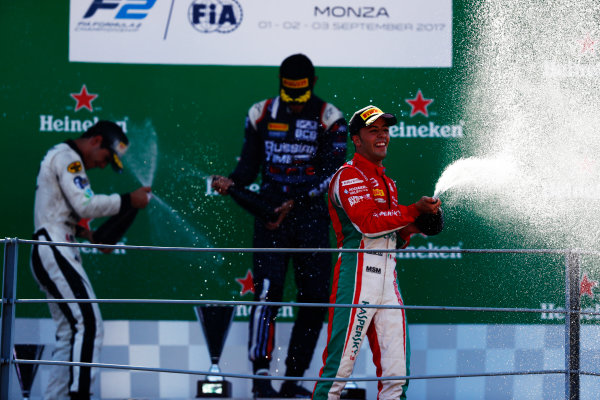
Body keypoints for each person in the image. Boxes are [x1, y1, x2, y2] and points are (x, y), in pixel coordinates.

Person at [211, 53, 348, 398]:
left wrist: (297, 201)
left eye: (301, 96)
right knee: (267, 293)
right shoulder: (259, 113)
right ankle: (260, 379)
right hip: (270, 216)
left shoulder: (331, 118)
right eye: (289, 96)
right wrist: (231, 182)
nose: (296, 104)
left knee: (314, 299)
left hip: (312, 218)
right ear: (280, 85)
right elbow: (247, 167)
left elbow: (332, 173)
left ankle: (292, 380)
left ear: (313, 84)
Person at [312, 105, 442, 400]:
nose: (382, 136)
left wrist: (418, 226)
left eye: (385, 130)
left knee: (397, 376)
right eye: (374, 131)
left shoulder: (389, 183)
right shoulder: (348, 176)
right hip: (356, 280)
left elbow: (392, 237)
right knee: (338, 372)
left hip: (388, 282)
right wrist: (412, 212)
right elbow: (368, 226)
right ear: (356, 139)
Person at [30, 120, 152, 400]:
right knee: (90, 324)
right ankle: (81, 395)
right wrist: (127, 200)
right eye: (106, 158)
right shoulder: (67, 157)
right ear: (96, 141)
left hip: (57, 244)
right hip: (54, 246)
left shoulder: (66, 158)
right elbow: (84, 205)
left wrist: (92, 236)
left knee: (70, 335)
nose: (102, 165)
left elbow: (63, 212)